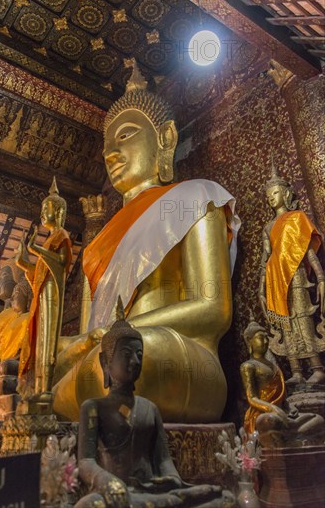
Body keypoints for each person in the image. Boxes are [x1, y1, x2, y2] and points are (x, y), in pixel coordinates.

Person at [53, 63, 240, 423]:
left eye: (124, 136)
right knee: (48, 373)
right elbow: (86, 339)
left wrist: (110, 334)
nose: (109, 154)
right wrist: (72, 347)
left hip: (176, 357)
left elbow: (214, 309)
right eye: (106, 146)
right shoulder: (97, 246)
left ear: (165, 138)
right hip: (104, 357)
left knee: (131, 360)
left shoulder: (195, 197)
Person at [76, 309, 234, 507]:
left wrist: (172, 479)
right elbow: (86, 462)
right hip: (116, 494)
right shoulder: (93, 407)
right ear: (105, 362)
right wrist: (107, 482)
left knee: (226, 499)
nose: (135, 361)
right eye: (126, 354)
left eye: (139, 354)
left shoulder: (150, 408)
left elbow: (163, 460)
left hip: (152, 492)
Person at [258, 164, 325, 384]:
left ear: (285, 194)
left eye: (275, 193)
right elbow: (265, 258)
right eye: (268, 195)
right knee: (285, 323)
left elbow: (306, 251)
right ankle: (296, 370)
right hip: (275, 279)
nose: (271, 198)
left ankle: (316, 367)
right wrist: (261, 289)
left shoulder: (296, 218)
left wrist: (321, 277)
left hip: (295, 276)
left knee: (301, 317)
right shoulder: (268, 227)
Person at [16, 177, 72, 413]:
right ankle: (36, 391)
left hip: (52, 293)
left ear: (58, 211)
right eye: (42, 208)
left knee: (47, 340)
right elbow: (38, 273)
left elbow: (61, 264)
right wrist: (24, 263)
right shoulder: (50, 239)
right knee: (38, 340)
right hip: (42, 294)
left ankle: (45, 391)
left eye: (46, 208)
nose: (42, 213)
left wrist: (36, 249)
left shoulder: (61, 236)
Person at [240, 319, 323, 448]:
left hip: (284, 413)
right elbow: (252, 398)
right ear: (249, 340)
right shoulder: (248, 366)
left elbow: (282, 398)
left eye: (267, 338)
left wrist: (289, 407)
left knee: (318, 419)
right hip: (264, 413)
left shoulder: (274, 366)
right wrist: (272, 408)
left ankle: (292, 437)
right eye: (260, 338)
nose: (266, 341)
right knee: (269, 421)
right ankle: (292, 437)